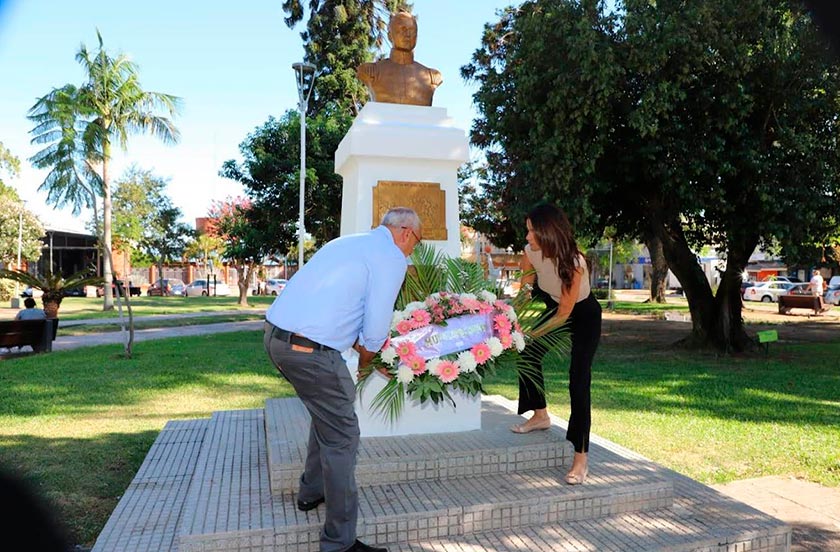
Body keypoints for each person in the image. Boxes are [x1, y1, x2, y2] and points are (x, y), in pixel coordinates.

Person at [263, 207, 422, 552]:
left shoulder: (350, 243)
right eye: (417, 242)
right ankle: (339, 542)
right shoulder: (392, 256)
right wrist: (369, 358)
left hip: (277, 338)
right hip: (309, 352)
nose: (413, 250)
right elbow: (377, 325)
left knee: (328, 413)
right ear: (407, 232)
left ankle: (312, 490)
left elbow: (338, 308)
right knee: (343, 436)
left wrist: (363, 350)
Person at [510, 204, 602, 487]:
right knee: (526, 353)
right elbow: (525, 291)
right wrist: (511, 321)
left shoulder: (575, 263)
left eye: (531, 231)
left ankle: (581, 457)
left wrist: (534, 332)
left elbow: (566, 313)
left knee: (578, 381)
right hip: (555, 305)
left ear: (547, 232)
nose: (527, 237)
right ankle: (540, 415)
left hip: (583, 313)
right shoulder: (530, 253)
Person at [356, 11, 443, 106]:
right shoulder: (372, 72)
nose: (408, 34)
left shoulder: (431, 76)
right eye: (403, 29)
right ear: (390, 36)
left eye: (412, 30)